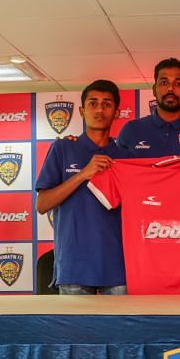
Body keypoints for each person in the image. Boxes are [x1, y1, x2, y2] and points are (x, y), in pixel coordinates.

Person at [35, 79, 128, 295]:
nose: (99, 109)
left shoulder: (126, 156)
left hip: (117, 265)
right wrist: (83, 174)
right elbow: (42, 204)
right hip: (74, 265)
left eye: (107, 104)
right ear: (81, 111)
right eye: (93, 103)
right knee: (75, 330)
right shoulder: (62, 148)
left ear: (116, 112)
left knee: (117, 330)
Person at [117, 57, 180, 159]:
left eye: (178, 84)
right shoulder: (131, 130)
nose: (170, 88)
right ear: (154, 90)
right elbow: (117, 171)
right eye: (164, 83)